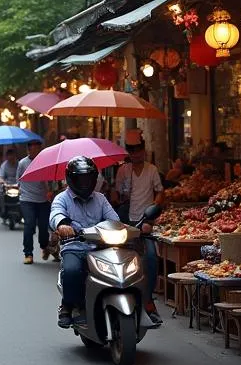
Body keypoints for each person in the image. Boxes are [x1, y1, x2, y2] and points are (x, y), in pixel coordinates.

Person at [50, 156, 121, 329]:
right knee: (72, 270)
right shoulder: (62, 198)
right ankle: (68, 305)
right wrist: (62, 225)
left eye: (88, 178)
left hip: (100, 248)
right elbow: (55, 214)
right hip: (74, 247)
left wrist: (121, 228)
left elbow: (115, 220)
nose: (85, 182)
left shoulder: (101, 199)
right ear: (71, 179)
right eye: (80, 178)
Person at [114, 129, 165, 325]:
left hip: (146, 222)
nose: (135, 154)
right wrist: (120, 199)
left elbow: (160, 192)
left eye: (138, 150)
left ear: (143, 151)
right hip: (127, 222)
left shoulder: (151, 170)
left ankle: (148, 300)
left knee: (151, 258)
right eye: (131, 150)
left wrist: (155, 208)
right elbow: (116, 195)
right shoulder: (123, 170)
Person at [17, 139, 51, 265]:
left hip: (42, 200)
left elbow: (47, 179)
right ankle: (28, 253)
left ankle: (44, 246)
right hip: (27, 200)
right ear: (29, 150)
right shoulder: (22, 163)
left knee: (43, 227)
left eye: (38, 148)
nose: (36, 151)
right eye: (33, 148)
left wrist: (49, 191)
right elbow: (18, 179)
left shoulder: (44, 162)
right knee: (29, 224)